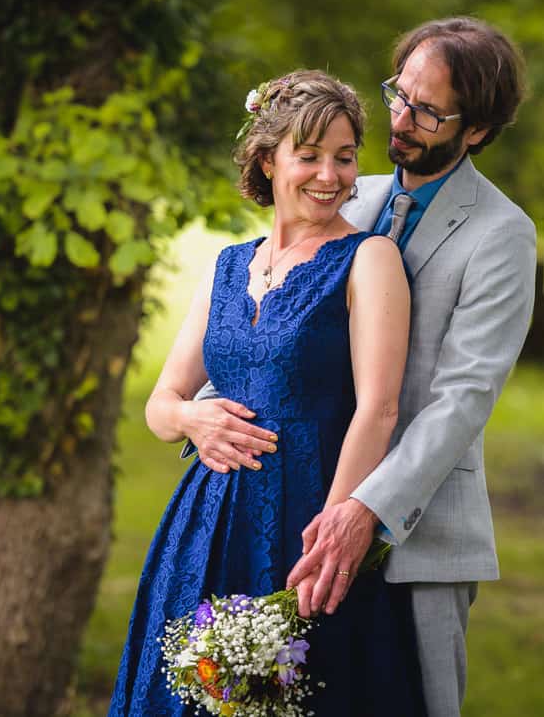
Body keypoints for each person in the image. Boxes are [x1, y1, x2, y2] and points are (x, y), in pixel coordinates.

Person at [192, 16, 537, 716]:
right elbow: (281, 320)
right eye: (398, 94)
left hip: (420, 525)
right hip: (299, 509)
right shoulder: (351, 188)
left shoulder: (503, 234)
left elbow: (461, 399)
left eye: (428, 110)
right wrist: (195, 411)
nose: (401, 119)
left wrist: (365, 507)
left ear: (475, 130)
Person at [106, 69, 427, 716]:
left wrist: (337, 529)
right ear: (267, 160)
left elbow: (379, 407)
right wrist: (194, 420)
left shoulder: (370, 259)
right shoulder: (228, 266)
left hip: (310, 520)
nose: (331, 176)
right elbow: (162, 400)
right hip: (204, 526)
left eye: (344, 157)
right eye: (308, 156)